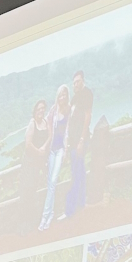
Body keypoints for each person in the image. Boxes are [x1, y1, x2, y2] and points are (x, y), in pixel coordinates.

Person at [39, 84, 71, 230]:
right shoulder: (53, 110)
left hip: (59, 150)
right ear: (57, 96)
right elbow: (45, 123)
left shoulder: (69, 109)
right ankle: (49, 214)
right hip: (51, 150)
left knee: (52, 181)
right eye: (60, 94)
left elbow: (68, 131)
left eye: (64, 94)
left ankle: (45, 217)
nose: (62, 97)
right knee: (50, 184)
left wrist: (65, 150)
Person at [19, 100, 51, 234]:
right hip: (29, 163)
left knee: (34, 190)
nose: (41, 111)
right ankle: (24, 224)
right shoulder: (32, 123)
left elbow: (50, 136)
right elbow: (28, 144)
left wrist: (44, 148)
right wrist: (39, 152)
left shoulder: (45, 122)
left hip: (38, 164)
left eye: (43, 109)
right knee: (27, 191)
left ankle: (32, 221)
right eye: (39, 109)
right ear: (35, 110)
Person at [65, 70, 94, 217]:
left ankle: (71, 208)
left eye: (78, 81)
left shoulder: (87, 94)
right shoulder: (75, 99)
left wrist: (82, 140)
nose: (76, 84)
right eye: (74, 83)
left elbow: (88, 116)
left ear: (83, 81)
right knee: (79, 171)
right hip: (72, 142)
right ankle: (81, 203)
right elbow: (68, 117)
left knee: (76, 171)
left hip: (80, 141)